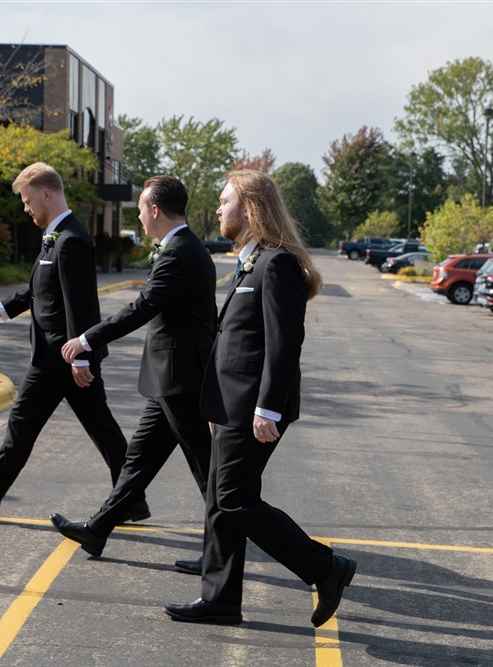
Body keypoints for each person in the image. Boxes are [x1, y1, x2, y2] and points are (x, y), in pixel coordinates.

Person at [165, 169, 357, 628]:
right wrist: (215, 405)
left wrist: (267, 407)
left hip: (254, 406)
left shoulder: (277, 263)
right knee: (220, 498)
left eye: (225, 200)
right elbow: (234, 342)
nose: (217, 208)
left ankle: (324, 567)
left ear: (250, 208)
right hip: (230, 404)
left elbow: (284, 341)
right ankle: (220, 598)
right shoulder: (250, 261)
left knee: (233, 497)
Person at [0, 162, 146, 523]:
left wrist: (80, 357)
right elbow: (40, 290)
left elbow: (78, 304)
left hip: (61, 357)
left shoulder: (70, 240)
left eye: (27, 199)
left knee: (23, 425)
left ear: (46, 194)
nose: (25, 207)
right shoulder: (57, 236)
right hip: (63, 356)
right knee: (102, 429)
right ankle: (132, 499)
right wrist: (3, 308)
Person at [49, 176, 216, 565]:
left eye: (141, 209)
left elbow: (143, 307)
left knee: (207, 471)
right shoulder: (183, 248)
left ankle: (222, 554)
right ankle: (97, 530)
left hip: (180, 378)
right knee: (138, 461)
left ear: (155, 210)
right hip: (171, 377)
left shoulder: (179, 252)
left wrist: (87, 339)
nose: (139, 217)